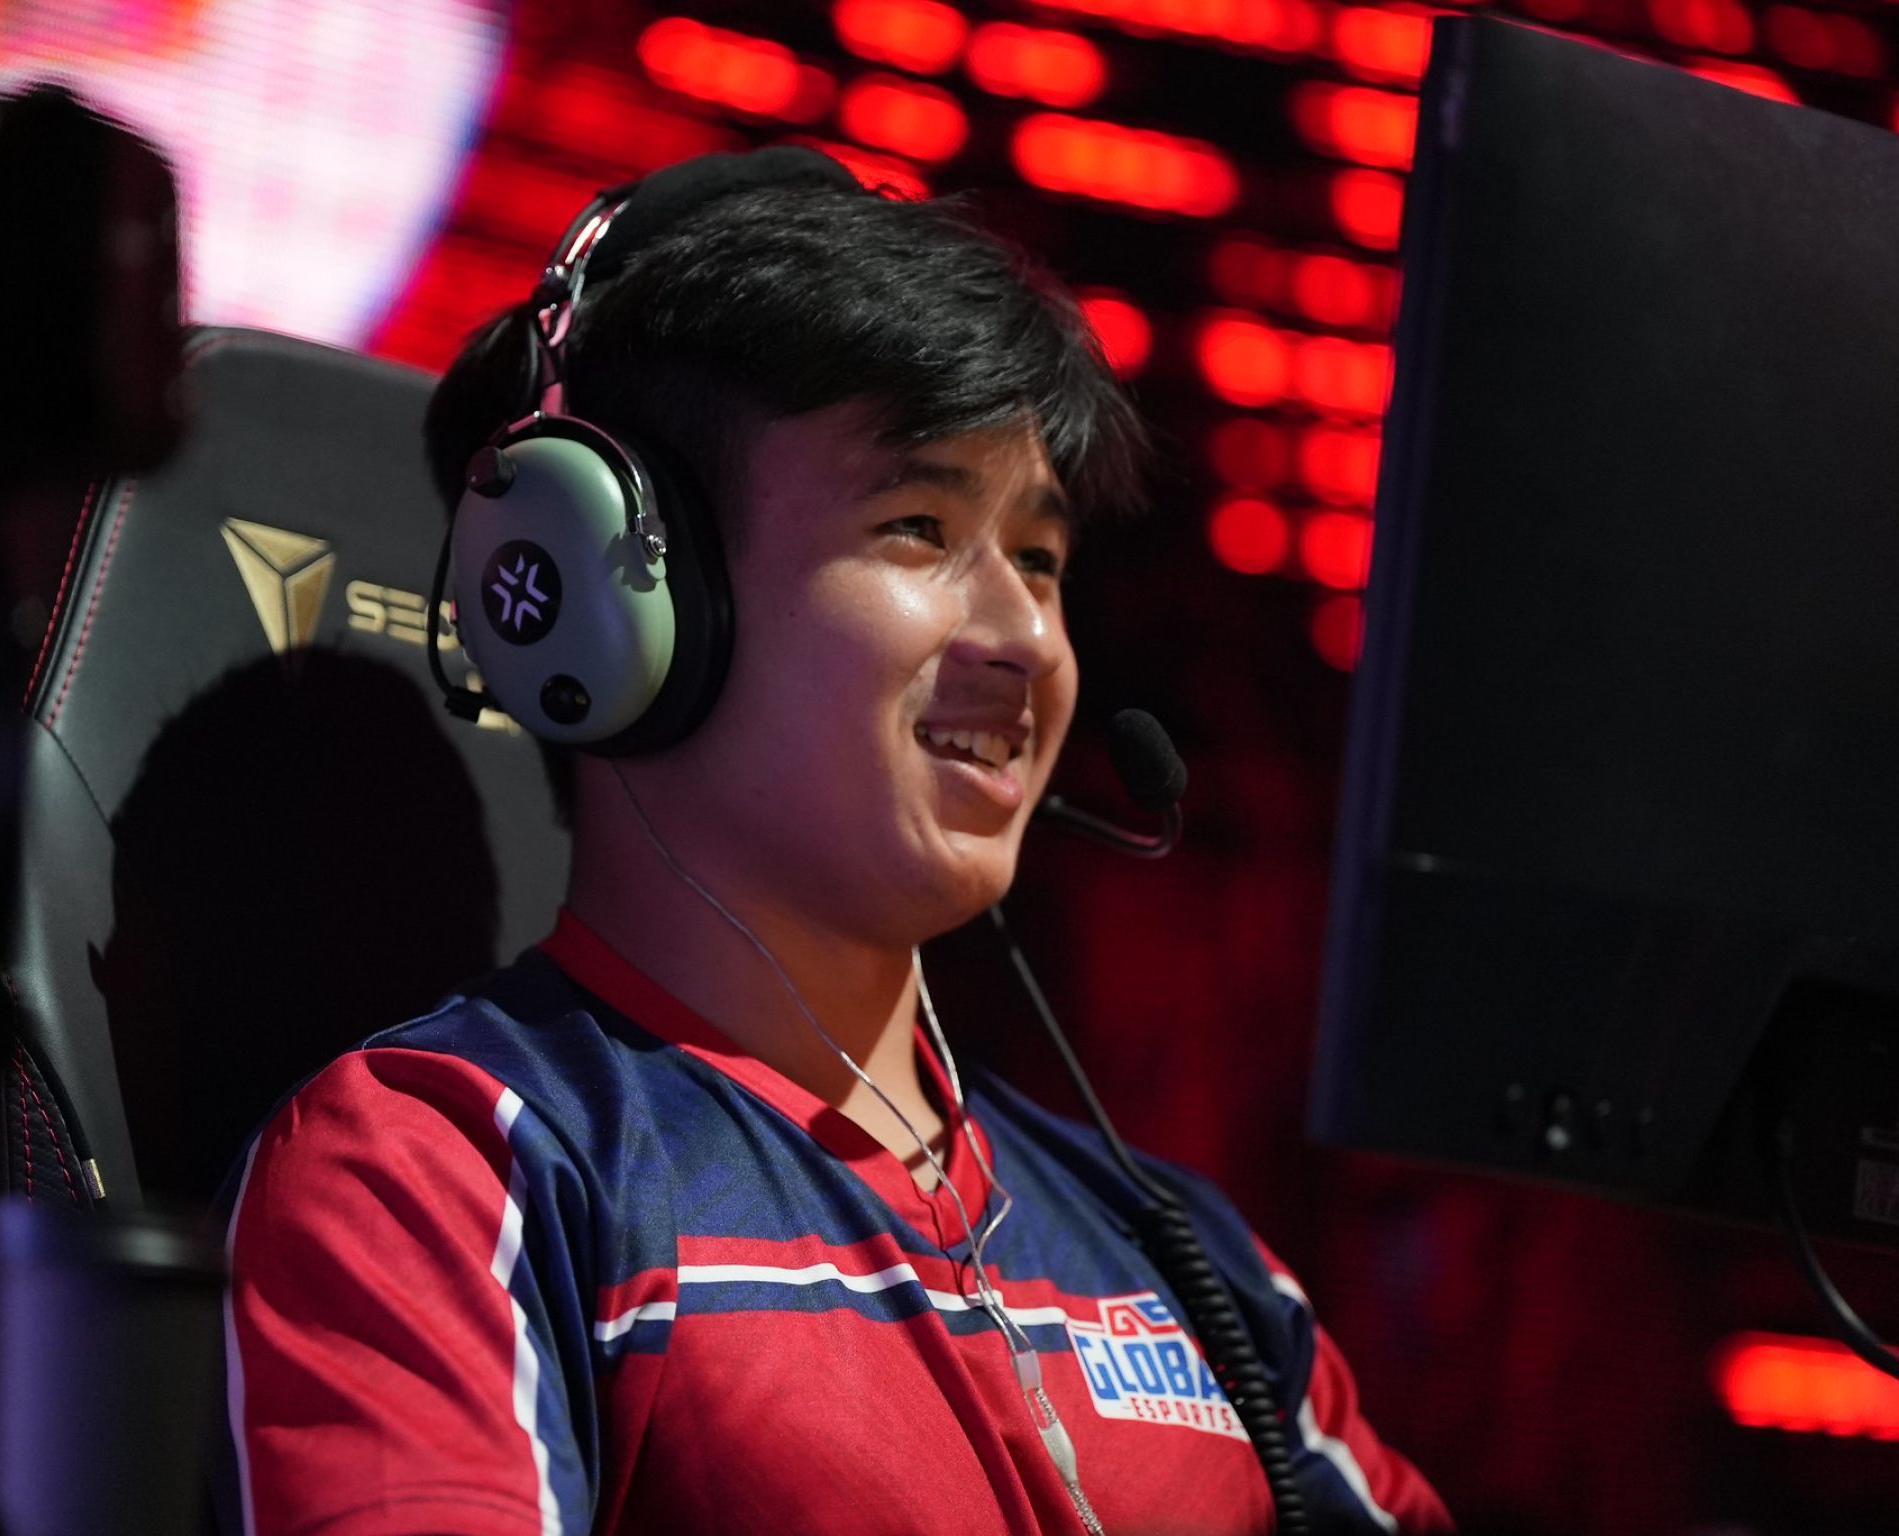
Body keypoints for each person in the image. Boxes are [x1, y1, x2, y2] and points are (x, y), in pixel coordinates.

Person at [216, 147, 1452, 1536]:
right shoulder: (442, 1171)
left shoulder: (1190, 1262)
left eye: (1040, 558)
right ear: (622, 611)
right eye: (919, 527)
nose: (1026, 641)